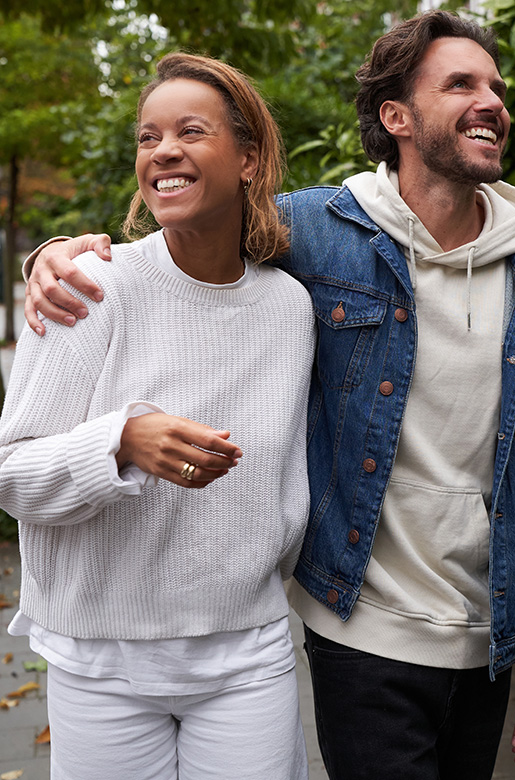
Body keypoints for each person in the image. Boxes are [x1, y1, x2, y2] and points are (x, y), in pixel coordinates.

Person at [22, 10, 515, 780]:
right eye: (460, 83)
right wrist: (56, 254)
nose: (493, 100)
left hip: (481, 636)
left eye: (496, 85)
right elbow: (194, 225)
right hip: (356, 625)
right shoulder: (320, 236)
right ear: (396, 116)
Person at [0, 52, 315, 780]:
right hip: (102, 662)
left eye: (191, 131)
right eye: (148, 137)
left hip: (248, 650)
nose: (164, 150)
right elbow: (10, 473)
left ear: (249, 157)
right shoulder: (90, 289)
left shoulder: (290, 308)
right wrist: (120, 443)